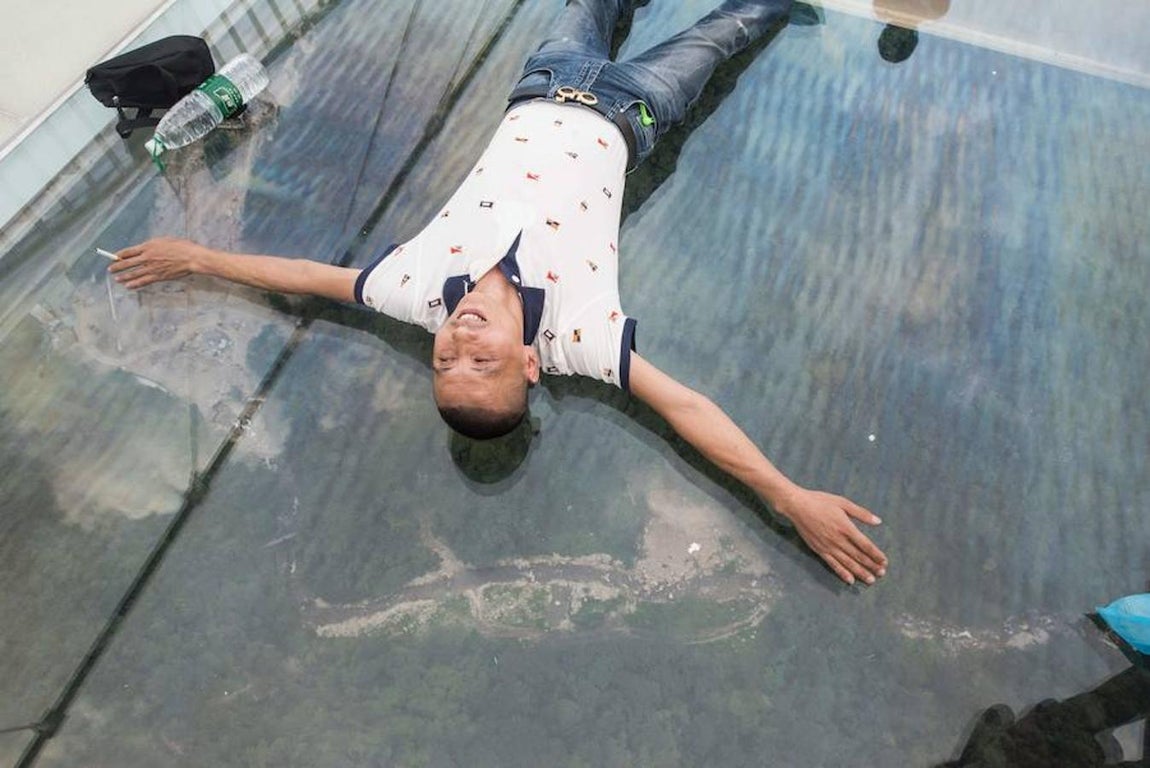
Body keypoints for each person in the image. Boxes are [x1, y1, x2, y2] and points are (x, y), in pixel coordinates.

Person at [108, 0, 889, 587]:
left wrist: (201, 255)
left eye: (446, 363)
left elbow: (311, 278)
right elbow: (687, 411)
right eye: (480, 364)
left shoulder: (413, 293)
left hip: (544, 81)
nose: (455, 345)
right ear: (529, 366)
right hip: (635, 109)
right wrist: (787, 497)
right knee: (734, 27)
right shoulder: (579, 336)